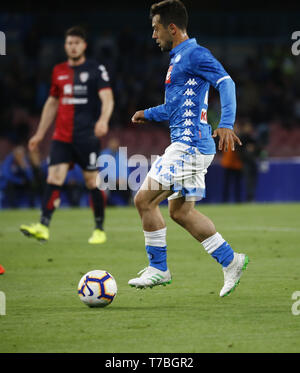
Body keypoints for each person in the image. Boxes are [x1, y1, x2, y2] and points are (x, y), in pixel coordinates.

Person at [128, 0, 249, 297]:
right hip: (191, 144)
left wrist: (227, 122)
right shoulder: (178, 59)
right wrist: (147, 113)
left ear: (172, 28)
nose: (154, 35)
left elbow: (226, 82)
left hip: (189, 145)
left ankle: (159, 269)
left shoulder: (195, 53)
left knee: (144, 200)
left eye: (156, 29)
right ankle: (231, 261)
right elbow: (174, 108)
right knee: (181, 212)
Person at [20, 26, 114, 244]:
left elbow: (107, 98)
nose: (73, 47)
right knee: (54, 178)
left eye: (76, 43)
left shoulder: (95, 69)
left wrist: (103, 120)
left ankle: (99, 229)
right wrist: (40, 133)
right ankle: (43, 226)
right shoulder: (58, 71)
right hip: (61, 136)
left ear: (84, 46)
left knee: (92, 181)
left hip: (86, 137)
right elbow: (52, 103)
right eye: (69, 43)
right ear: (65, 46)